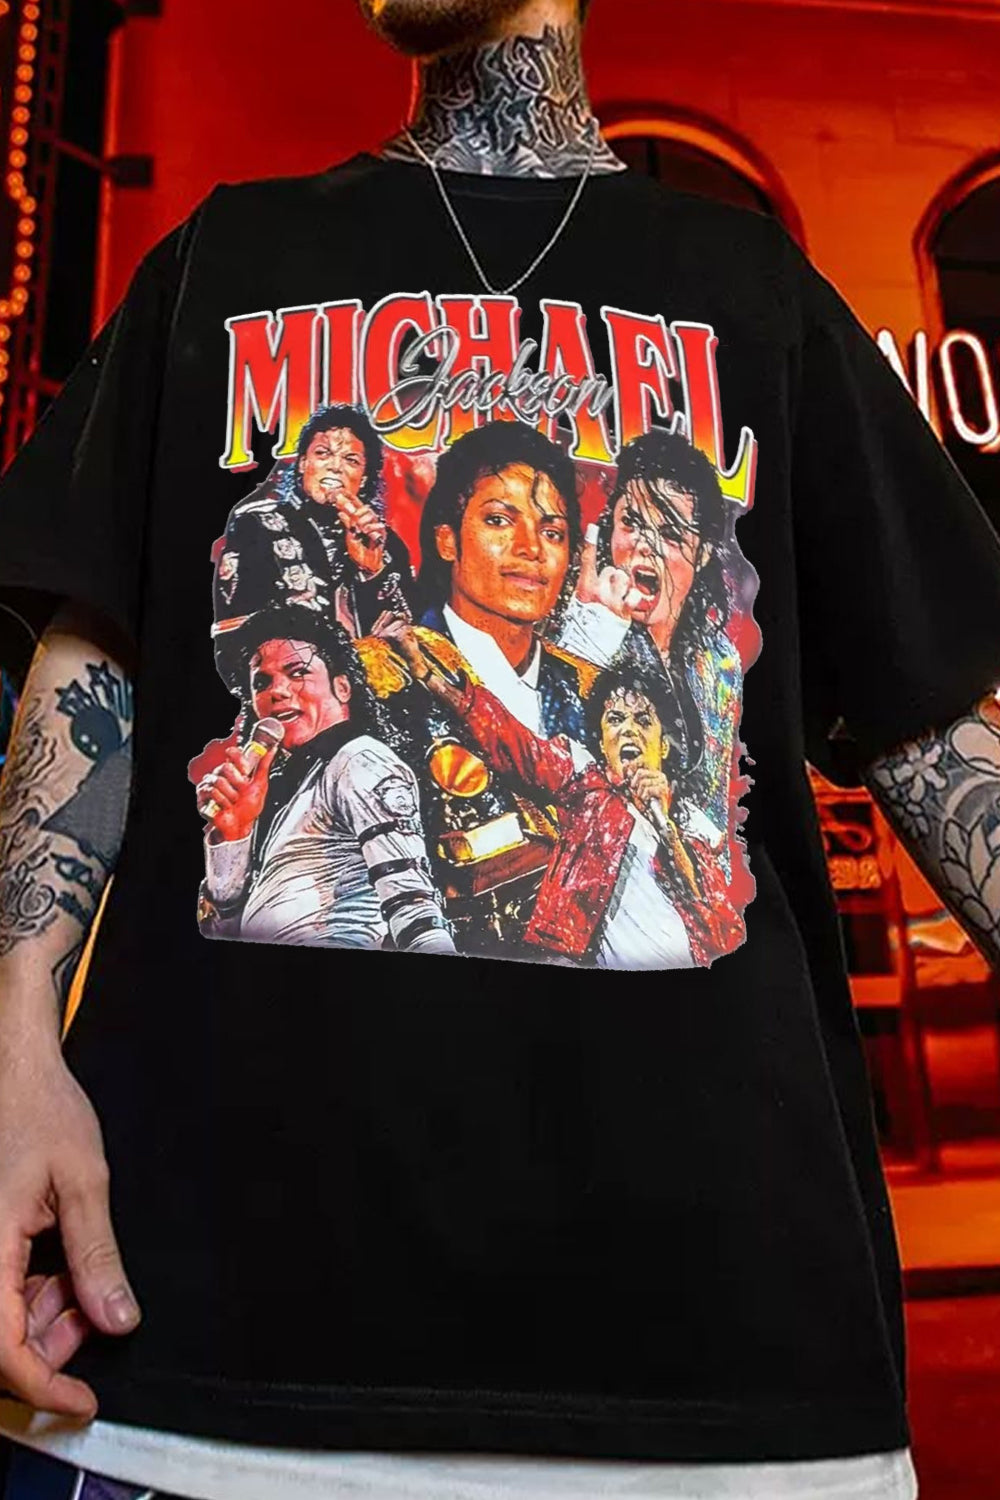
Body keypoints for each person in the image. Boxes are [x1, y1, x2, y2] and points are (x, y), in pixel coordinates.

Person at [2, 1, 1000, 1498]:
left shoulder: (753, 291)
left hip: (721, 1381)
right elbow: (94, 669)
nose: (531, 539)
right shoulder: (224, 258)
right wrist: (12, 1043)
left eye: (552, 517)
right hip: (188, 1368)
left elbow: (937, 740)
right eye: (495, 516)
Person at [360, 418, 601, 953]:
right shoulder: (375, 674)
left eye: (553, 532)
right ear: (446, 540)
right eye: (498, 520)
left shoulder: (598, 693)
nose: (530, 548)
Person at [387, 617, 742, 967]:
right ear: (602, 742)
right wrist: (428, 675)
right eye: (615, 719)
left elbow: (722, 930)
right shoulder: (586, 786)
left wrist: (666, 827)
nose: (628, 731)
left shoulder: (690, 825)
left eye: (643, 720)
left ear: (663, 745)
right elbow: (509, 739)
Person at [195, 607, 454, 956]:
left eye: (297, 672)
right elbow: (228, 929)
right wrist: (234, 836)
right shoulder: (288, 785)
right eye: (261, 682)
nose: (277, 691)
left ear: (343, 687)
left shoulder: (360, 760)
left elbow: (413, 905)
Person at [558, 427, 744, 852]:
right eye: (631, 523)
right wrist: (587, 643)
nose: (645, 546)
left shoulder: (719, 665)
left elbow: (716, 822)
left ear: (702, 553)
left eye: (672, 533)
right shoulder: (569, 626)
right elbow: (543, 764)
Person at [213, 404, 417, 639]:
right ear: (303, 463)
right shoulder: (256, 525)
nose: (335, 466)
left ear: (363, 479)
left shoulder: (386, 544)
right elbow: (236, 628)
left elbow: (414, 634)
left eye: (351, 460)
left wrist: (372, 572)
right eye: (323, 454)